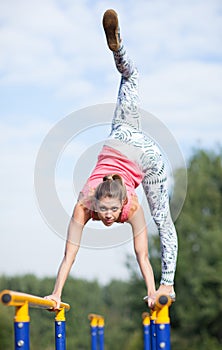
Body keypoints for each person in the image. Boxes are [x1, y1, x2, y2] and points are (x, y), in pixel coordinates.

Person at [45, 9, 177, 309]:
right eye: (104, 211)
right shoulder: (85, 205)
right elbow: (70, 254)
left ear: (121, 204)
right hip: (123, 136)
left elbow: (142, 255)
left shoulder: (128, 206)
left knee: (163, 221)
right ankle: (119, 49)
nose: (106, 216)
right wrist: (57, 293)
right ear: (96, 203)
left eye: (110, 211)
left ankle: (169, 280)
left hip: (144, 155)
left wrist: (155, 290)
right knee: (131, 75)